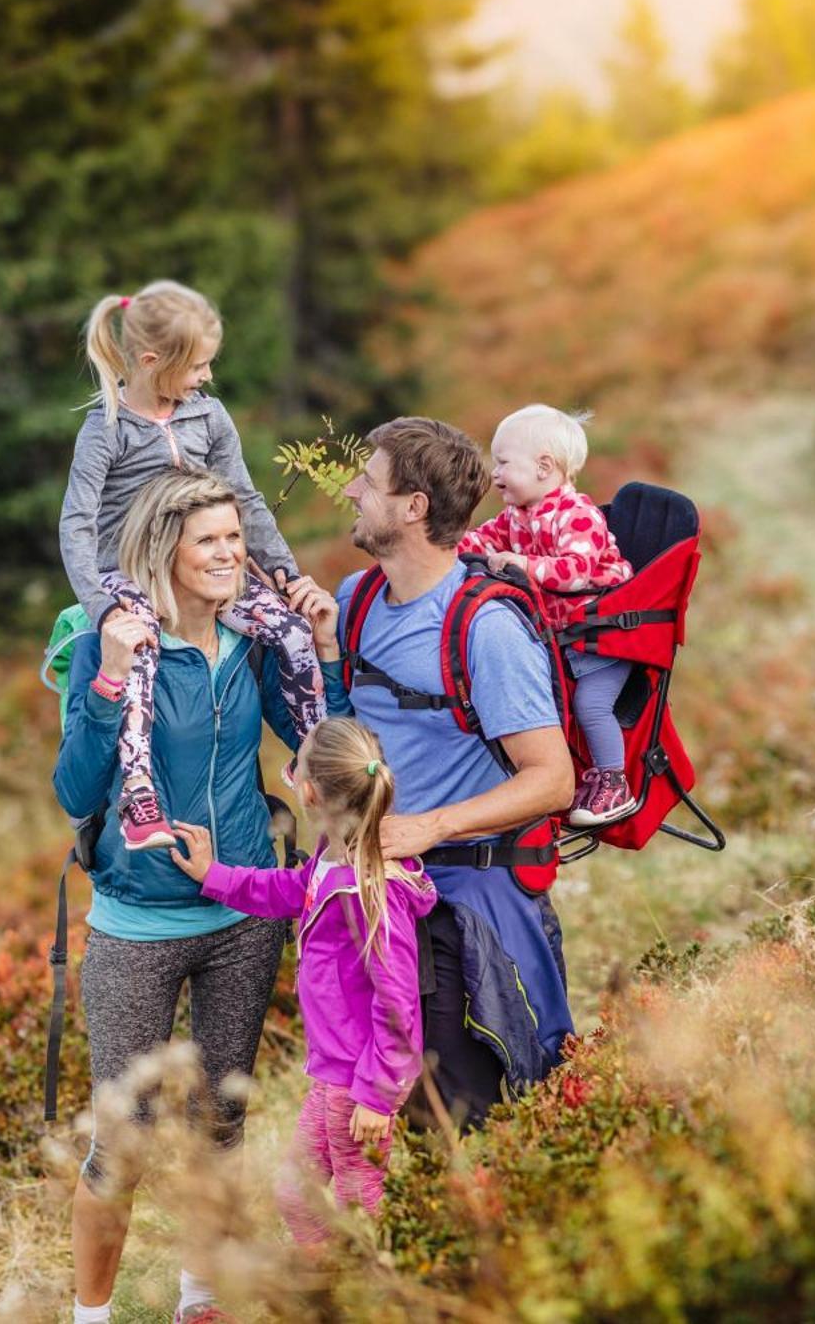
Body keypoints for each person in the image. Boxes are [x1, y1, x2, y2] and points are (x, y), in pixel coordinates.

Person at [52, 468, 348, 1324]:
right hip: (137, 921)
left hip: (241, 914)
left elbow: (325, 745)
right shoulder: (107, 642)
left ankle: (202, 1302)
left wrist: (322, 647)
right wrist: (107, 677)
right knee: (125, 1142)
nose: (231, 555)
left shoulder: (259, 638)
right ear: (164, 552)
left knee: (223, 1124)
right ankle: (92, 1317)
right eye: (210, 541)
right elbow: (75, 790)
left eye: (235, 538)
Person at [286, 416, 578, 1129]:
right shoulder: (355, 602)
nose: (353, 489)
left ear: (414, 507)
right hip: (379, 905)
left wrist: (428, 826)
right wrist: (327, 654)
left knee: (469, 1118)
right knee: (391, 1118)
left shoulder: (486, 627)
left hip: (469, 908)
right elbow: (358, 727)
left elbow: (553, 779)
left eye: (371, 480)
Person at [58, 280, 325, 852]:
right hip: (128, 574)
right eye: (198, 366)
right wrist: (102, 608)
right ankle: (138, 796)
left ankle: (319, 756)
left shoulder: (208, 415)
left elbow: (247, 500)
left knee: (292, 633)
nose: (206, 377)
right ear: (153, 362)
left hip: (206, 563)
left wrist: (285, 573)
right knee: (141, 658)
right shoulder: (106, 428)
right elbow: (76, 523)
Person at [168, 717, 436, 1242]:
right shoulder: (330, 863)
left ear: (309, 792)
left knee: (354, 1208)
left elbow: (398, 1001)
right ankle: (329, 1293)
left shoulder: (365, 889)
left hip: (358, 1083)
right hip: (332, 1075)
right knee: (298, 1195)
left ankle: (354, 1295)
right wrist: (214, 876)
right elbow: (290, 890)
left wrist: (378, 1095)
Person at [459, 404, 636, 826]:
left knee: (591, 704)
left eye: (502, 463)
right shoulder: (517, 517)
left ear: (543, 467)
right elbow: (479, 541)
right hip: (564, 639)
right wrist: (443, 546)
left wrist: (522, 565)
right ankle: (546, 784)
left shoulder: (578, 515)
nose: (494, 473)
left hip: (604, 638)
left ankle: (615, 780)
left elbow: (577, 572)